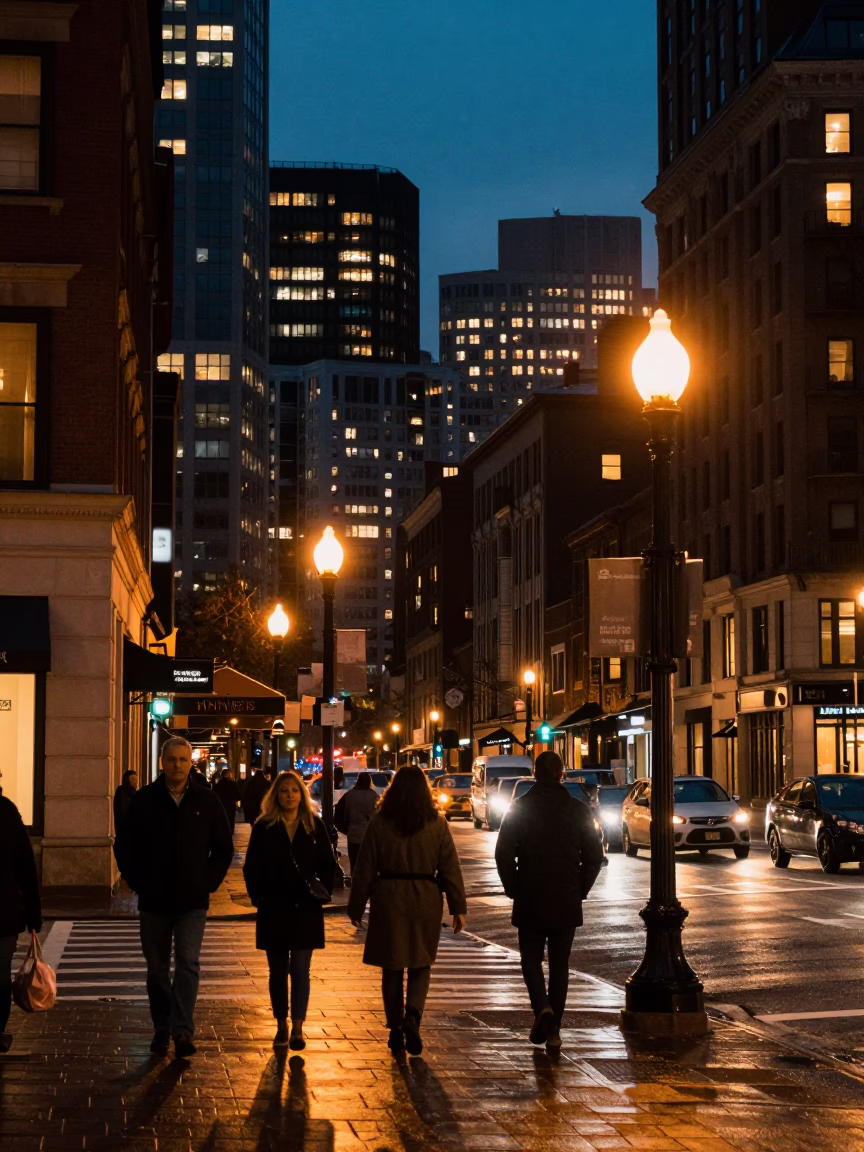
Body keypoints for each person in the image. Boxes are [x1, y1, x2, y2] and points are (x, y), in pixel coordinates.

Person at [113, 737, 234, 1059]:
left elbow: (223, 848)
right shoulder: (144, 800)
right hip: (154, 900)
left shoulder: (206, 801)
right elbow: (124, 845)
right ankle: (161, 1027)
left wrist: (207, 882)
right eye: (172, 760)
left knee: (188, 964)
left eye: (183, 760)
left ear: (190, 763)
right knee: (156, 969)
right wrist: (137, 881)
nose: (177, 766)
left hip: (192, 901)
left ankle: (182, 1030)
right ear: (162, 763)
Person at [347, 765, 467, 1057]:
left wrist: (356, 904)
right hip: (425, 896)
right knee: (420, 962)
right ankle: (413, 1015)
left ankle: (396, 1028)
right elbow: (450, 866)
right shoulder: (437, 824)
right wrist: (457, 907)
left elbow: (365, 867)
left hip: (388, 897)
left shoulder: (379, 823)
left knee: (392, 966)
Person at [495, 750, 604, 1050]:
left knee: (530, 958)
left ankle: (541, 1007)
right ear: (561, 775)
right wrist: (581, 888)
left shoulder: (519, 807)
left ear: (534, 774)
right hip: (566, 896)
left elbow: (503, 854)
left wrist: (513, 886)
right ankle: (554, 1027)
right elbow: (594, 857)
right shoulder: (578, 810)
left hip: (530, 893)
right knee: (560, 964)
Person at [242, 771, 336, 1049]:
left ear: (302, 795)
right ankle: (281, 1023)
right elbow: (252, 866)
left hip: (306, 907)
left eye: (294, 791)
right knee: (278, 970)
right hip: (274, 906)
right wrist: (257, 896)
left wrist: (323, 892)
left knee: (300, 968)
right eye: (284, 791)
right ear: (275, 795)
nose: (290, 796)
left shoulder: (313, 825)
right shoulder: (264, 826)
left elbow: (327, 864)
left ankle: (297, 1026)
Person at [0, 774, 41, 1054]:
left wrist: (33, 915)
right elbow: (27, 868)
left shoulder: (6, 813)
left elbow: (26, 868)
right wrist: (33, 917)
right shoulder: (7, 812)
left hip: (3, 913)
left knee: (1, 973)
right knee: (0, 973)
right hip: (4, 913)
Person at [334, 771, 378, 876]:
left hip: (353, 836)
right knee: (369, 866)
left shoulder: (349, 796)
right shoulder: (374, 797)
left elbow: (337, 817)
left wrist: (347, 830)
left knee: (355, 864)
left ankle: (355, 885)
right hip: (370, 837)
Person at [213, 768, 241, 833]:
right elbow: (238, 795)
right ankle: (231, 831)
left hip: (221, 805)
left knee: (222, 819)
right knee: (231, 818)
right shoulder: (233, 784)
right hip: (231, 805)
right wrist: (238, 802)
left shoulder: (218, 785)